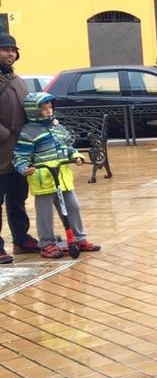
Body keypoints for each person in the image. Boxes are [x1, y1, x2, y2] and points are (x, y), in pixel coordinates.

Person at [13, 92, 100, 257]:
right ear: (34, 111)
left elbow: (68, 147)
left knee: (73, 207)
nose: (49, 111)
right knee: (45, 213)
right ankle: (46, 243)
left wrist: (75, 156)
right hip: (43, 180)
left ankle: (79, 238)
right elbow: (20, 156)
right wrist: (25, 168)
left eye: (50, 107)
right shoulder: (28, 132)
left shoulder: (57, 127)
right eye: (44, 109)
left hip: (62, 178)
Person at [0, 34, 37, 263]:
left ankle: (21, 240)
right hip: (1, 150)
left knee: (18, 199)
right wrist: (5, 135)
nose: (10, 54)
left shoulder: (17, 80)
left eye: (13, 50)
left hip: (19, 154)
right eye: (5, 49)